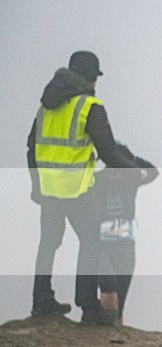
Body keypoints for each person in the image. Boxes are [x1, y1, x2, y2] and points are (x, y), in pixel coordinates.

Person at [27, 51, 139, 325]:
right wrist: (133, 170)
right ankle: (89, 305)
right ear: (91, 78)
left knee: (48, 243)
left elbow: (32, 147)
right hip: (77, 188)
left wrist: (36, 184)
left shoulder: (46, 106)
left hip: (49, 187)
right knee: (90, 240)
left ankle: (41, 299)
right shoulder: (90, 106)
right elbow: (109, 153)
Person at [94, 143, 159, 324]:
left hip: (126, 244)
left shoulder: (130, 178)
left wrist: (129, 156)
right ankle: (106, 326)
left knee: (121, 298)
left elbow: (153, 171)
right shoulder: (97, 179)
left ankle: (117, 334)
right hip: (102, 244)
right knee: (108, 284)